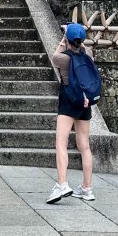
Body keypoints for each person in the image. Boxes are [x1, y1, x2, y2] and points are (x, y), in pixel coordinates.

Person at [47, 23, 96, 205]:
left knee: (61, 143)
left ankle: (62, 183)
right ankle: (87, 187)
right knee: (85, 146)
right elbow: (83, 48)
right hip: (85, 103)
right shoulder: (88, 55)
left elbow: (54, 55)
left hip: (68, 102)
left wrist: (64, 36)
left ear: (68, 40)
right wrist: (77, 35)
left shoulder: (62, 59)